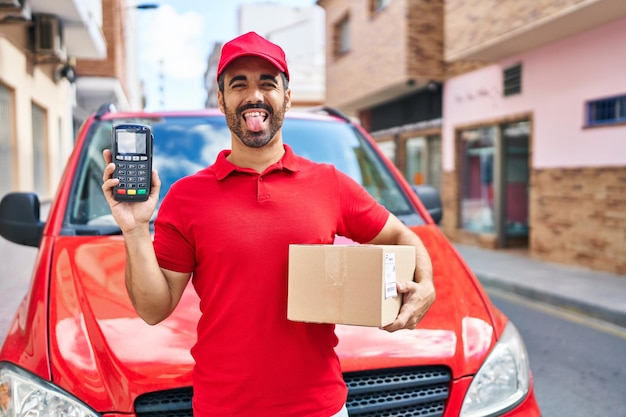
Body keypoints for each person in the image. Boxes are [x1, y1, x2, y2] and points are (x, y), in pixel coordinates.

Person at [102, 31, 435, 417]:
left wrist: (425, 283)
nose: (254, 95)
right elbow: (153, 309)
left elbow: (399, 234)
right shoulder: (186, 197)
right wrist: (135, 229)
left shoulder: (329, 183)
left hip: (320, 409)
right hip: (223, 409)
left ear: (287, 98)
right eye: (239, 83)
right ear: (222, 98)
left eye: (267, 83)